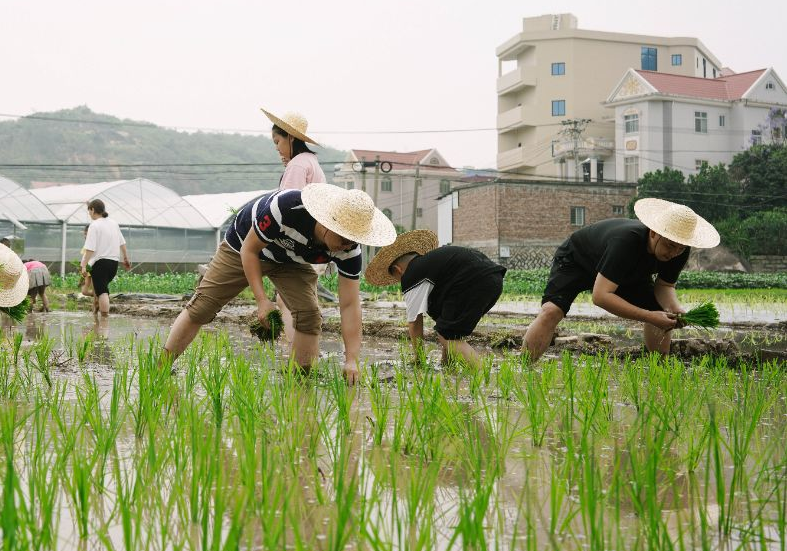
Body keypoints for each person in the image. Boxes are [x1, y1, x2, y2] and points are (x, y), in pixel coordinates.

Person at [162, 184, 396, 384]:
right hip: (244, 247)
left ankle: (301, 382)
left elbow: (349, 305)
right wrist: (262, 301)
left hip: (291, 262)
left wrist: (351, 358)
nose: (347, 246)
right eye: (344, 239)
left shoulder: (349, 251)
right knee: (202, 306)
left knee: (309, 315)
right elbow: (250, 250)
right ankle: (160, 368)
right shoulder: (287, 208)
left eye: (353, 241)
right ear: (327, 223)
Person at [522, 198, 721, 361]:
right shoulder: (626, 242)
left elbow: (665, 285)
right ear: (653, 233)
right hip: (578, 260)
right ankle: (524, 368)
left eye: (680, 248)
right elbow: (600, 296)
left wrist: (674, 309)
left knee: (660, 312)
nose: (674, 253)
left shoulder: (679, 251)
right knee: (551, 311)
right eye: (670, 246)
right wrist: (648, 316)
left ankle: (660, 369)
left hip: (626, 271)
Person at [365, 230, 505, 370]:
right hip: (494, 280)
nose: (400, 282)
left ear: (398, 269)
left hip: (473, 282)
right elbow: (445, 322)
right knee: (450, 331)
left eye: (396, 278)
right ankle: (447, 365)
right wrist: (444, 363)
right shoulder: (433, 266)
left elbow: (414, 321)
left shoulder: (411, 274)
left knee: (448, 337)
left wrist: (418, 360)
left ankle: (482, 375)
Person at [262, 108, 328, 346]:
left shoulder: (298, 166)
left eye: (277, 142)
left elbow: (285, 211)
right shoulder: (311, 161)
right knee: (296, 300)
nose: (277, 149)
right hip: (317, 242)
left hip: (302, 243)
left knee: (290, 302)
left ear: (291, 137)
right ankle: (300, 350)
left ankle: (297, 351)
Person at [80, 200, 130, 319]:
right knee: (100, 289)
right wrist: (126, 258)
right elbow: (122, 242)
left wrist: (83, 265)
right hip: (113, 263)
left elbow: (90, 249)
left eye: (89, 211)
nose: (89, 215)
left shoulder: (95, 225)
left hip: (99, 263)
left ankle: (104, 320)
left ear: (92, 210)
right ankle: (97, 315)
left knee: (102, 292)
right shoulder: (113, 223)